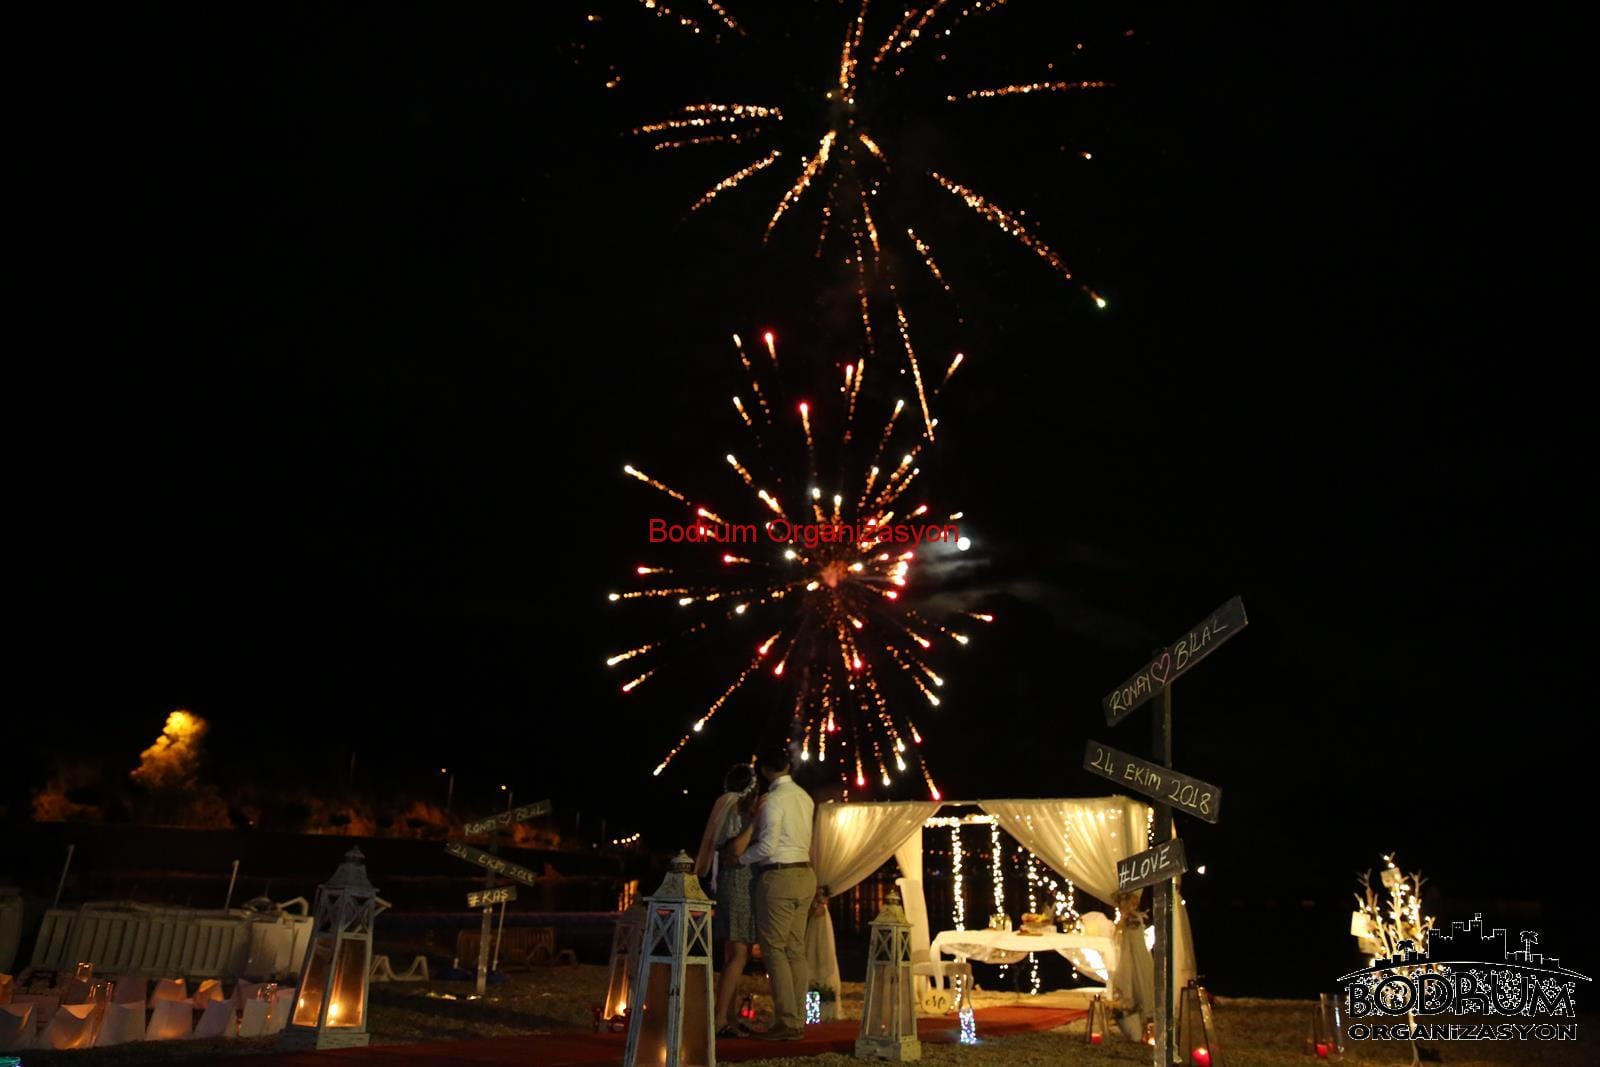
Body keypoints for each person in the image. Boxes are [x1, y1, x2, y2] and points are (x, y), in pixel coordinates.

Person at [738, 743, 816, 1040]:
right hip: (805, 873)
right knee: (795, 949)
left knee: (774, 949)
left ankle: (787, 1020)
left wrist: (739, 858)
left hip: (779, 876)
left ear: (764, 769)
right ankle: (797, 1018)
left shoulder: (773, 800)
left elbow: (768, 847)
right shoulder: (804, 797)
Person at [694, 762, 761, 1038]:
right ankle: (720, 1018)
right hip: (741, 881)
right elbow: (735, 848)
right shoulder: (738, 809)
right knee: (740, 952)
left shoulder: (723, 803)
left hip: (725, 881)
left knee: (730, 952)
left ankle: (729, 1016)